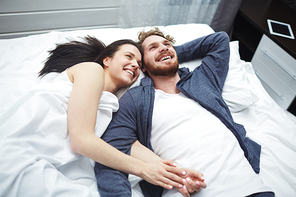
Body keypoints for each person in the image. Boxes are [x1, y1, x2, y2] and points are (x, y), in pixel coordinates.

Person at [0, 36, 200, 197]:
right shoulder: (91, 70)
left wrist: (177, 176)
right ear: (107, 60)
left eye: (140, 63)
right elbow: (81, 140)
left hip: (54, 164)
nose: (135, 65)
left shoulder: (115, 103)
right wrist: (142, 169)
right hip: (19, 151)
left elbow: (127, 143)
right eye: (129, 57)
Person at [95, 28, 275, 196]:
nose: (164, 48)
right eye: (153, 47)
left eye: (167, 45)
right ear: (143, 67)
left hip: (249, 188)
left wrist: (165, 54)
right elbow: (109, 155)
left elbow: (219, 40)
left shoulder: (203, 79)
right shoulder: (135, 100)